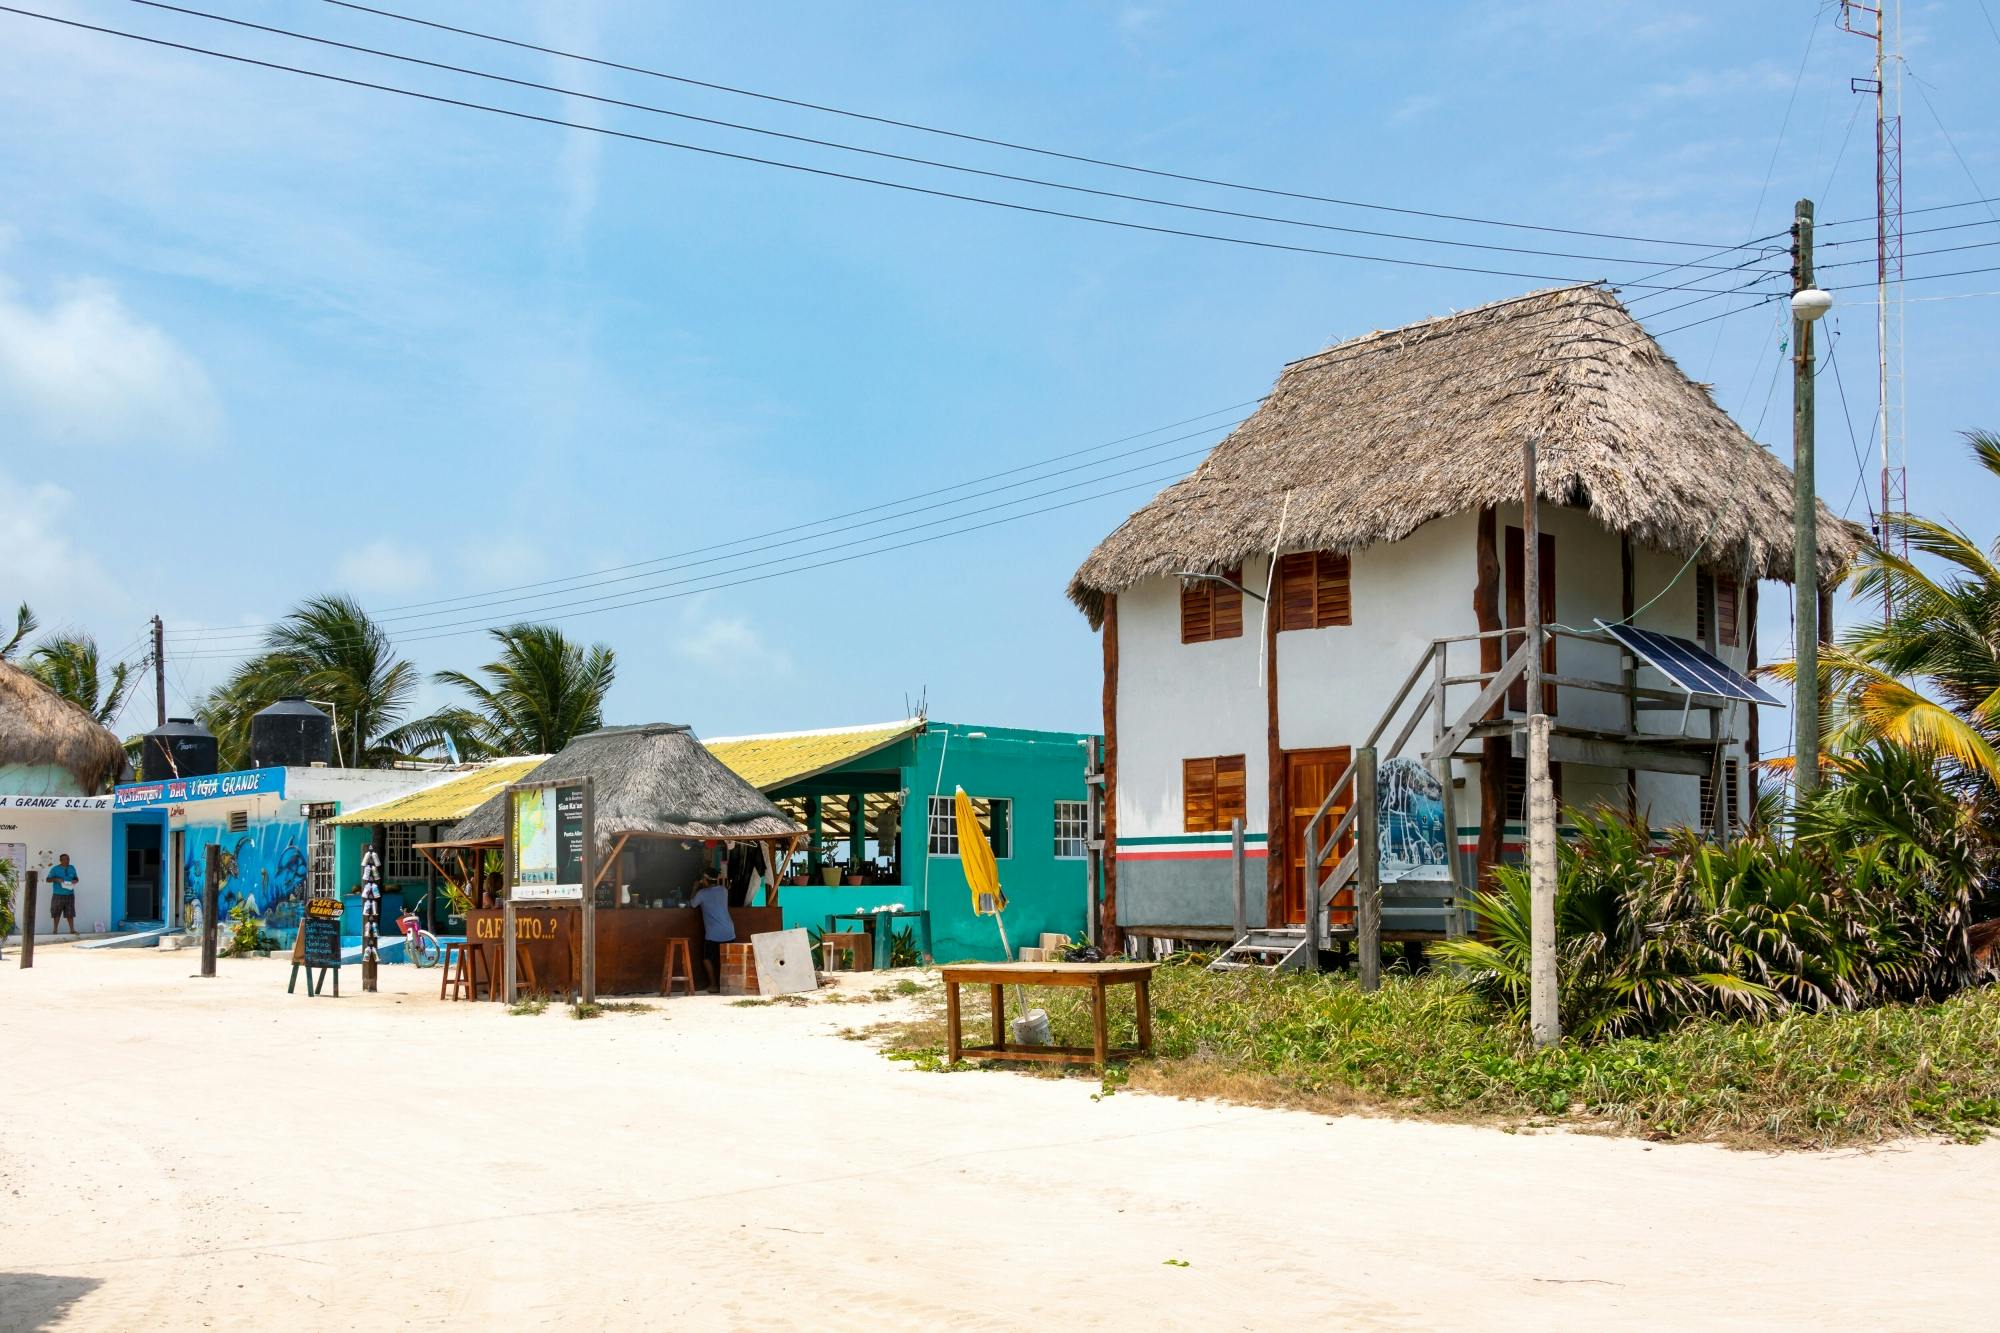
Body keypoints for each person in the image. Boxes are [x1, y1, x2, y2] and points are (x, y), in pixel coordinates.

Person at [689, 873, 735, 994]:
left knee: (707, 958)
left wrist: (694, 888)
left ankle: (714, 985)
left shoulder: (702, 894)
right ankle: (729, 985)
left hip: (714, 933)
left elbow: (692, 904)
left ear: (705, 880)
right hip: (729, 930)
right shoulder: (723, 890)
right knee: (726, 958)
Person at [45, 854, 79, 935]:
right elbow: (48, 879)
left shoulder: (72, 867)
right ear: (60, 860)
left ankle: (72, 930)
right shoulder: (55, 869)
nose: (66, 861)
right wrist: (56, 879)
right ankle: (55, 930)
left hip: (70, 894)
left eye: (68, 859)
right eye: (64, 859)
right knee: (56, 912)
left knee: (70, 913)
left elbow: (76, 878)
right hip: (58, 894)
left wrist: (75, 881)